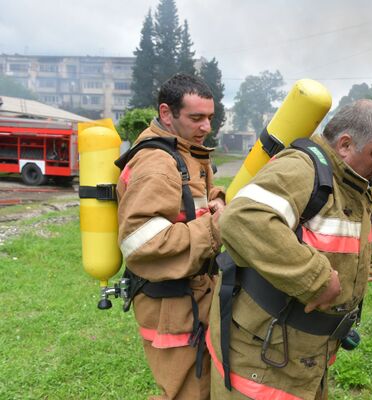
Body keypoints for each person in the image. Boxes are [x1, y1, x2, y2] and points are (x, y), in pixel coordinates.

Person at [207, 99, 372, 399]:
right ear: (345, 144)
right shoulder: (301, 169)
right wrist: (315, 278)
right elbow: (242, 217)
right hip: (262, 363)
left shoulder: (359, 179)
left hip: (307, 354)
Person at [116, 73, 225, 400]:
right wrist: (218, 226)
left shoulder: (186, 151)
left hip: (191, 296)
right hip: (171, 307)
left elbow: (189, 198)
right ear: (167, 113)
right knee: (186, 394)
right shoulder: (157, 163)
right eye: (196, 118)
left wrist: (217, 198)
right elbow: (140, 241)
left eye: (209, 117)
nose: (206, 126)